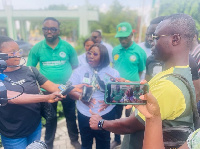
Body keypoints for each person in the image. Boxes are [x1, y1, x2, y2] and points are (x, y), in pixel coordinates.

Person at [89, 13, 196, 149]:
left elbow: (130, 126)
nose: (151, 41)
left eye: (156, 37)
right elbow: (150, 94)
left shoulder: (169, 86)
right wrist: (127, 88)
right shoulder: (174, 72)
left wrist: (100, 123)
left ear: (175, 39)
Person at [0, 35, 71, 149]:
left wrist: (74, 87)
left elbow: (52, 87)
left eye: (18, 51)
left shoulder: (30, 70)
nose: (18, 54)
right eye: (12, 52)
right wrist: (46, 98)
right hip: (13, 135)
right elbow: (13, 97)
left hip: (34, 127)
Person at [27, 17, 80, 149]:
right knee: (50, 119)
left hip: (67, 89)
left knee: (71, 116)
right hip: (47, 91)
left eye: (53, 29)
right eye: (46, 28)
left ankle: (74, 141)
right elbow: (30, 70)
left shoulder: (68, 47)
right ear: (43, 30)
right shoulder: (37, 48)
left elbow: (75, 67)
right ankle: (49, 145)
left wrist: (71, 84)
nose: (49, 31)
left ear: (59, 30)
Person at [69, 43, 120, 149]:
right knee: (86, 142)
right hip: (84, 113)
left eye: (95, 54)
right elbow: (69, 90)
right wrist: (81, 97)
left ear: (104, 57)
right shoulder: (80, 71)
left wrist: (110, 101)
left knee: (104, 142)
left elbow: (118, 94)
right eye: (89, 53)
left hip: (105, 114)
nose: (90, 56)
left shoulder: (113, 73)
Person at [110, 22, 147, 148]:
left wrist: (130, 80)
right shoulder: (115, 50)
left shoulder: (139, 51)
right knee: (115, 114)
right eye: (120, 37)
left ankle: (129, 140)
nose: (123, 40)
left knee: (131, 116)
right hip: (117, 89)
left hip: (132, 88)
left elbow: (141, 70)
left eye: (125, 37)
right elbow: (113, 68)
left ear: (131, 35)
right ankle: (116, 139)